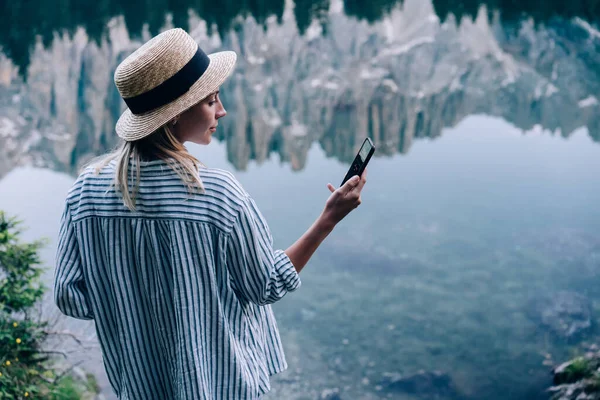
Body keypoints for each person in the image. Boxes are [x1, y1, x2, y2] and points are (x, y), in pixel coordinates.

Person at [54, 28, 367, 400]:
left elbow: (70, 295)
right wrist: (328, 219)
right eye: (210, 100)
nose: (222, 110)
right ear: (173, 116)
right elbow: (265, 285)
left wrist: (133, 300)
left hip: (138, 388)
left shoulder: (84, 193)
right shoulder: (217, 194)